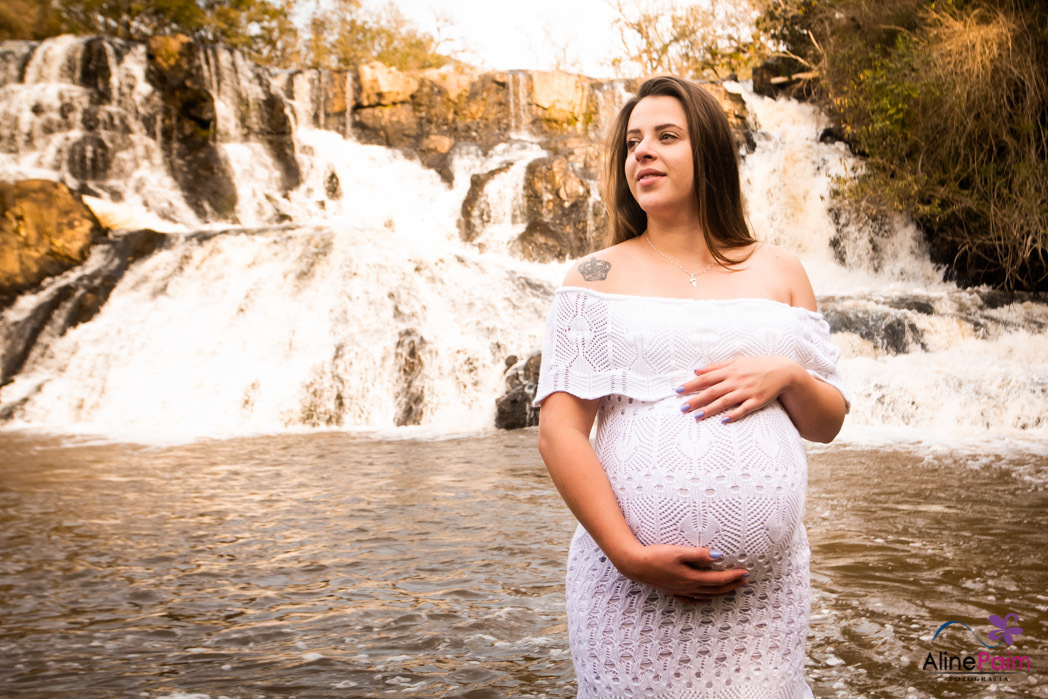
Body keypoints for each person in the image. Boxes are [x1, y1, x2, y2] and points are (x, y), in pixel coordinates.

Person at [533, 75, 849, 698]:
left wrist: (786, 373)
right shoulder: (593, 275)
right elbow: (559, 430)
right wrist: (627, 555)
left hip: (762, 601)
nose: (641, 153)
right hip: (626, 591)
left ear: (708, 154)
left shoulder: (782, 271)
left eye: (665, 137)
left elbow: (828, 421)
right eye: (632, 143)